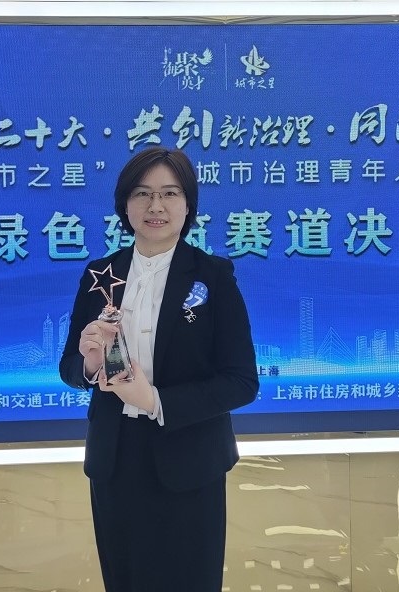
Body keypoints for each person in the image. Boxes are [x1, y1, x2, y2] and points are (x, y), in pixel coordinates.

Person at [59, 146, 259, 592]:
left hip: (190, 458)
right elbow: (69, 367)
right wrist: (90, 364)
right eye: (142, 193)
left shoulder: (213, 276)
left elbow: (242, 382)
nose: (156, 206)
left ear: (188, 206)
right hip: (115, 459)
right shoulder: (100, 274)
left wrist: (156, 401)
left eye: (169, 193)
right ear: (124, 205)